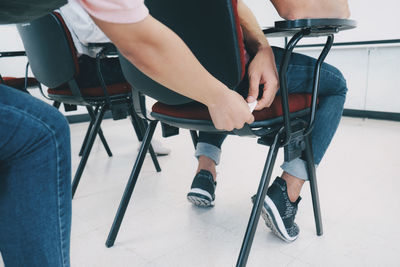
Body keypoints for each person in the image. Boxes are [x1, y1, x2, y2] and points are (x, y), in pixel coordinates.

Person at [186, 0, 350, 243]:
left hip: (179, 75)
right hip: (233, 70)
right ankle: (288, 192)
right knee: (335, 84)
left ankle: (205, 171)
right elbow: (298, 12)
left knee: (219, 76)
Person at [58, 0, 170, 156]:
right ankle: (162, 122)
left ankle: (147, 131)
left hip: (68, 75)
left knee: (134, 61)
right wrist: (130, 31)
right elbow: (89, 35)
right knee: (141, 66)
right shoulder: (70, 3)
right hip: (87, 75)